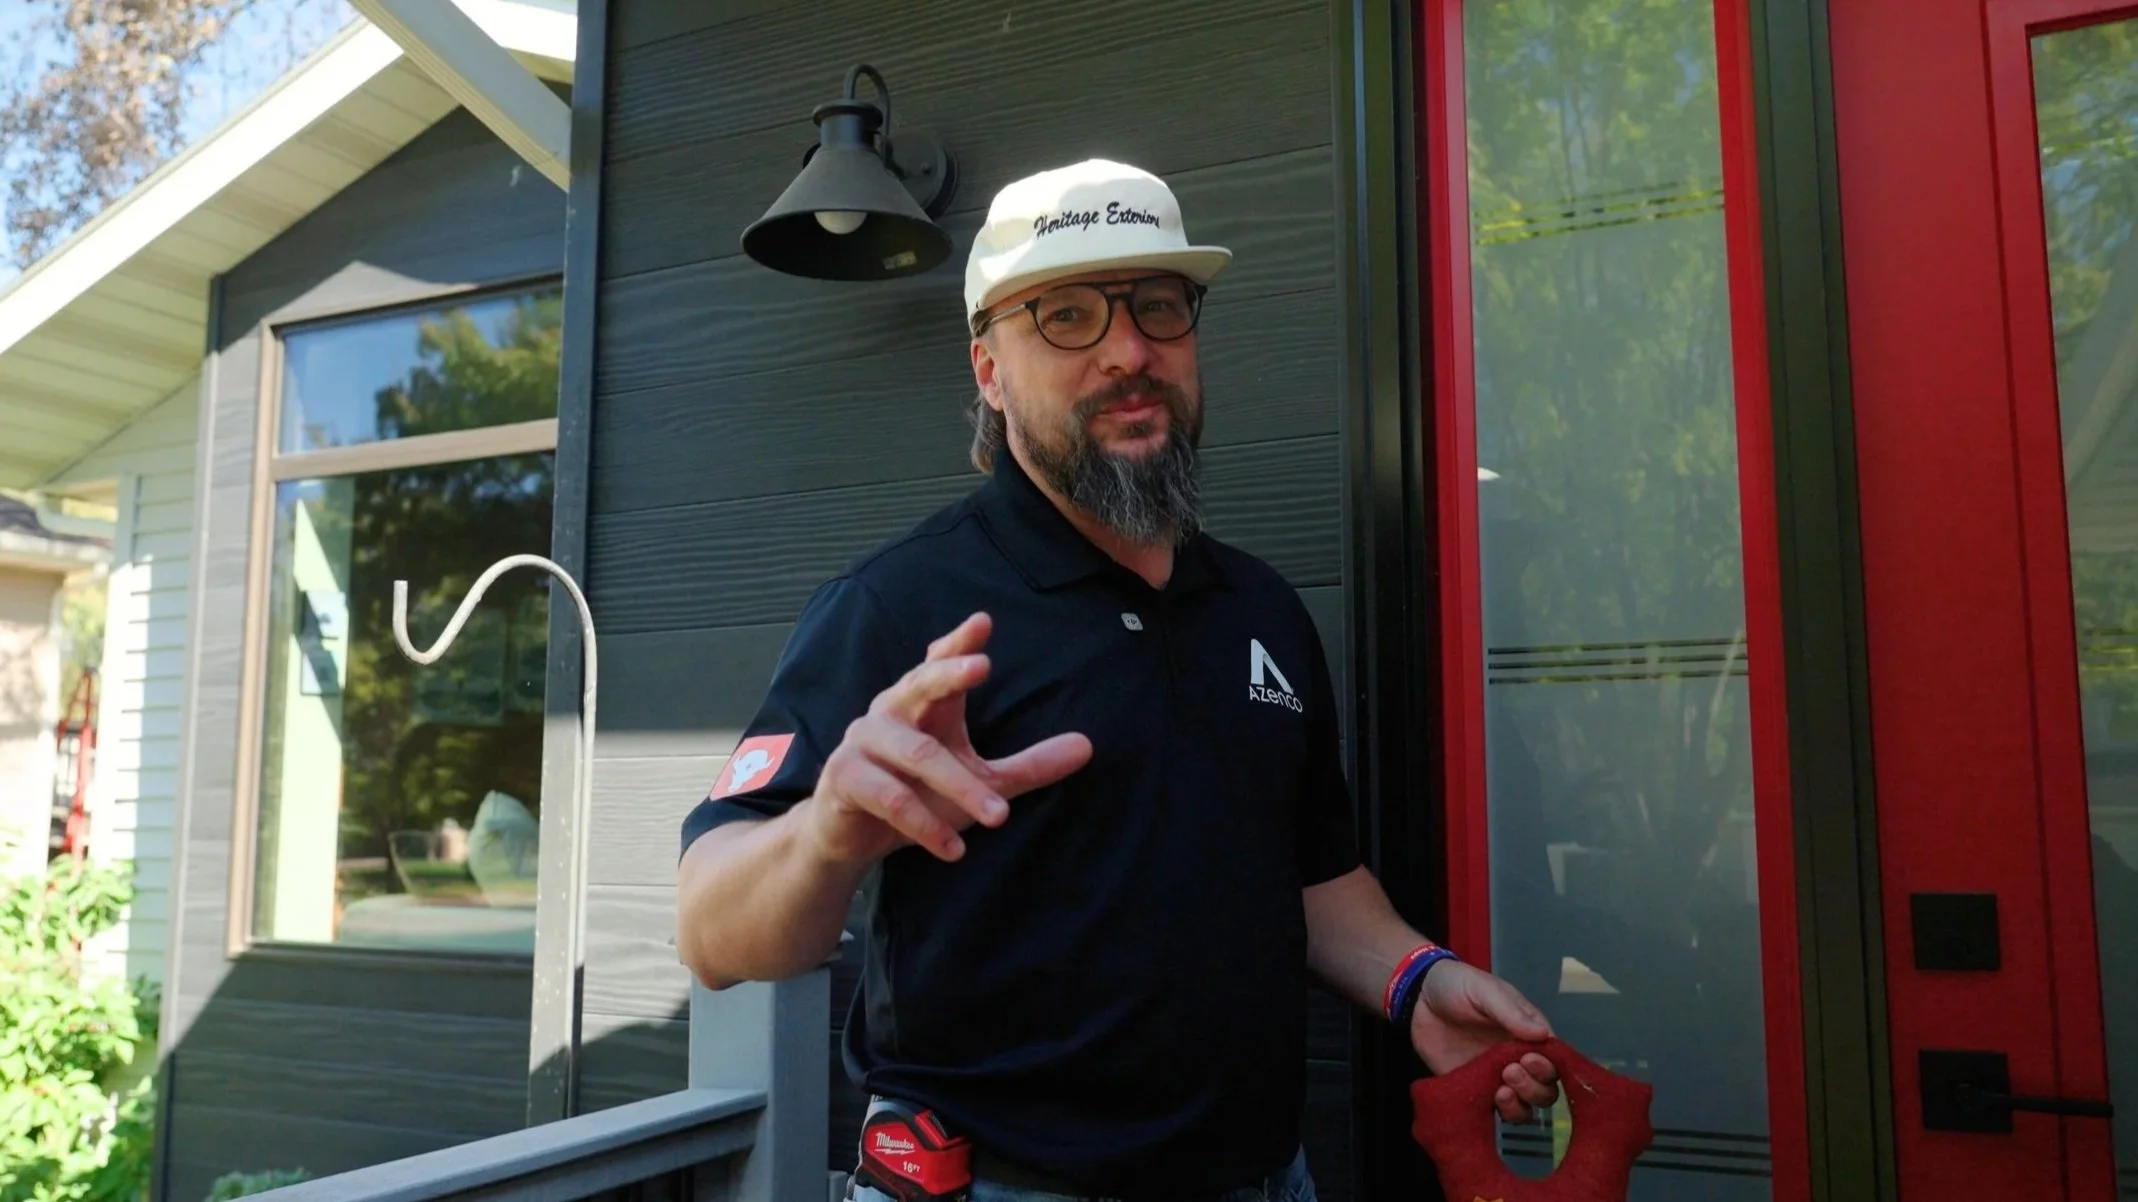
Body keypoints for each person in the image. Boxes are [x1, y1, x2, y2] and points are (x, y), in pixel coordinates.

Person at [676, 158, 1561, 1202]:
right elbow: (710, 930)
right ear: (988, 370)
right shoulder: (900, 602)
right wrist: (825, 826)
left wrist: (1416, 982)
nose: (1128, 351)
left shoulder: (1260, 610)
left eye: (1157, 307)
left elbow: (1312, 876)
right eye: (1065, 316)